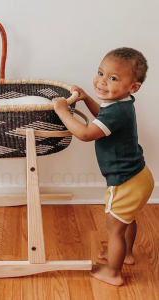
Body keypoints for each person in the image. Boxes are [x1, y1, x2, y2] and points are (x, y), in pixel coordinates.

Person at [52, 47, 154, 286]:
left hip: (124, 181)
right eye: (100, 72)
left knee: (115, 228)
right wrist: (87, 98)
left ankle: (113, 272)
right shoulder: (121, 105)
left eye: (113, 78)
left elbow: (87, 133)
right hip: (139, 176)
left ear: (133, 87)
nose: (102, 81)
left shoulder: (117, 111)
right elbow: (102, 121)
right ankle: (126, 254)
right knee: (126, 220)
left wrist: (62, 111)